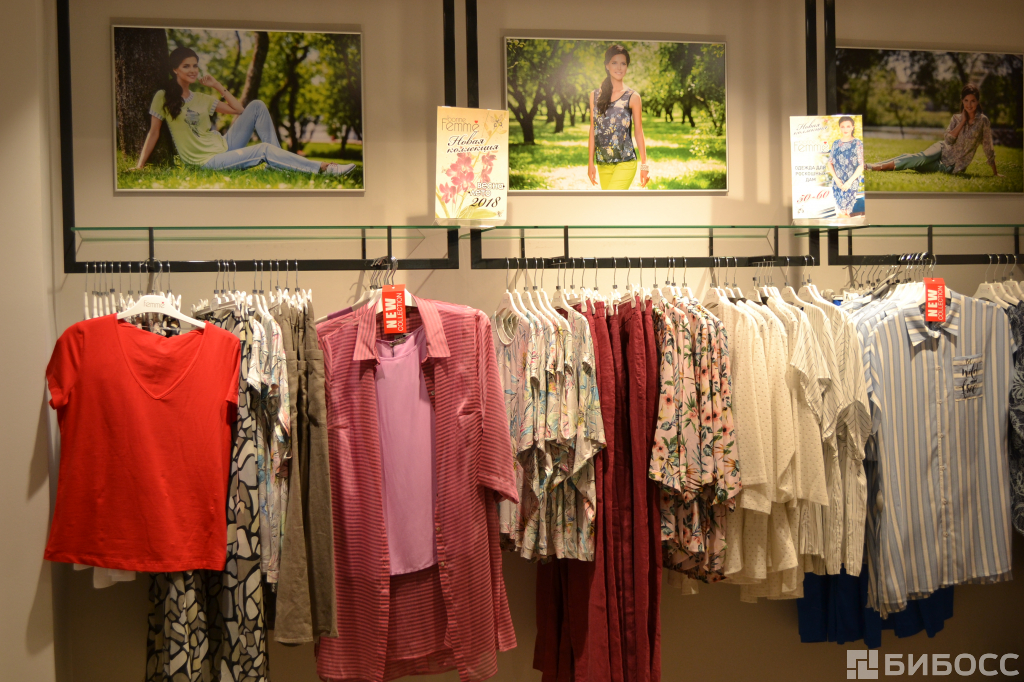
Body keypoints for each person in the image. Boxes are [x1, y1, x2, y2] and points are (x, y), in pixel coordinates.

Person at [133, 46, 354, 177]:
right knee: (262, 149)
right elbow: (153, 133)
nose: (192, 70)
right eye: (186, 66)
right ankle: (324, 168)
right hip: (206, 161)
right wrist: (139, 166)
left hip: (224, 145)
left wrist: (217, 85)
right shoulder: (163, 97)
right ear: (175, 69)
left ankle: (278, 165)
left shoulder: (202, 98)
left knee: (256, 105)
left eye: (195, 65)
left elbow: (239, 109)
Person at [865, 83, 1002, 177]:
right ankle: (878, 167)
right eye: (966, 100)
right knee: (922, 157)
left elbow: (988, 146)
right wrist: (962, 122)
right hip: (941, 149)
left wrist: (995, 173)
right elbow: (948, 140)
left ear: (978, 102)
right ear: (962, 101)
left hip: (952, 166)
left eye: (972, 101)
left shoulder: (983, 121)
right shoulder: (956, 118)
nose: (969, 104)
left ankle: (874, 166)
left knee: (916, 162)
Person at [588, 44, 650, 190]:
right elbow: (593, 130)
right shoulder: (595, 96)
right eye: (614, 63)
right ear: (607, 65)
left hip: (625, 162)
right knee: (610, 202)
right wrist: (590, 162)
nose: (619, 67)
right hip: (603, 163)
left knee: (612, 200)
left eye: (623, 63)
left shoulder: (633, 97)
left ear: (627, 67)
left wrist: (644, 165)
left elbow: (639, 132)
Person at [825, 116, 864, 218]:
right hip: (837, 183)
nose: (845, 129)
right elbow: (830, 163)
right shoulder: (836, 143)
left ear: (852, 127)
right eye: (842, 126)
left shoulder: (858, 143)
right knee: (839, 213)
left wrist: (849, 182)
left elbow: (861, 165)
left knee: (845, 213)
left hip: (851, 182)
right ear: (840, 128)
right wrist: (836, 179)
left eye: (848, 126)